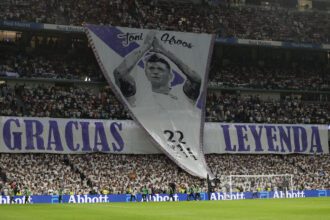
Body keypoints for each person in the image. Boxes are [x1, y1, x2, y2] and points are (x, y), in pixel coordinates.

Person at [113, 32, 201, 107]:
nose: (155, 71)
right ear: (146, 73)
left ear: (170, 75)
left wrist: (163, 51)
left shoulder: (182, 93)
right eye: (151, 68)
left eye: (160, 69)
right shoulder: (137, 94)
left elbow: (196, 79)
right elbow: (119, 73)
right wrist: (145, 47)